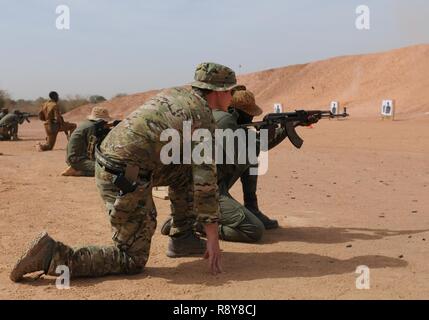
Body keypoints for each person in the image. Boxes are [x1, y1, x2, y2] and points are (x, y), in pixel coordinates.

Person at [10, 62, 239, 282]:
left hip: (118, 166)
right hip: (124, 179)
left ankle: (183, 237)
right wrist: (213, 238)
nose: (233, 97)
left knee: (185, 170)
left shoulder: (177, 94)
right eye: (232, 92)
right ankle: (52, 255)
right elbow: (205, 182)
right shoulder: (202, 116)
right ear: (218, 91)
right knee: (131, 259)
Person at [161, 88, 285, 243]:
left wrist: (285, 129)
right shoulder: (225, 121)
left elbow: (253, 147)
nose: (252, 117)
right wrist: (267, 134)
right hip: (205, 191)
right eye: (249, 113)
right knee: (253, 230)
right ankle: (194, 223)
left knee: (252, 156)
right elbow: (244, 155)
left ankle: (187, 216)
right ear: (237, 112)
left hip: (204, 187)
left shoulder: (226, 122)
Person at [62, 107, 117, 177]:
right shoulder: (91, 128)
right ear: (100, 121)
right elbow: (92, 150)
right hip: (77, 160)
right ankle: (77, 171)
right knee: (106, 170)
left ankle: (77, 168)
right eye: (105, 121)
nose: (106, 123)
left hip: (75, 157)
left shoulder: (88, 124)